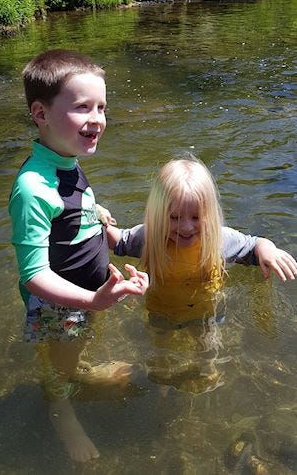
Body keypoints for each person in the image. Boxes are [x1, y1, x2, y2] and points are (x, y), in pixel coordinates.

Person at [9, 49, 148, 463]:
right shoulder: (33, 189)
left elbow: (74, 199)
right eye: (83, 107)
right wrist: (91, 300)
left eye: (102, 107)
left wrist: (96, 212)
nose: (98, 118)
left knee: (76, 345)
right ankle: (60, 409)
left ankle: (78, 372)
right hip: (60, 304)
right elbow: (33, 273)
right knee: (62, 358)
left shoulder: (66, 158)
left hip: (86, 295)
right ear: (41, 113)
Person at [103, 156, 297, 392]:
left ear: (210, 215)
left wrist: (269, 251)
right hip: (161, 310)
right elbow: (117, 241)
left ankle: (207, 370)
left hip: (205, 313)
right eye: (174, 217)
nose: (186, 227)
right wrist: (94, 221)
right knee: (159, 346)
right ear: (157, 214)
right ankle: (161, 376)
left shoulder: (219, 240)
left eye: (196, 217)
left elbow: (254, 244)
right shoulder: (149, 237)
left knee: (207, 346)